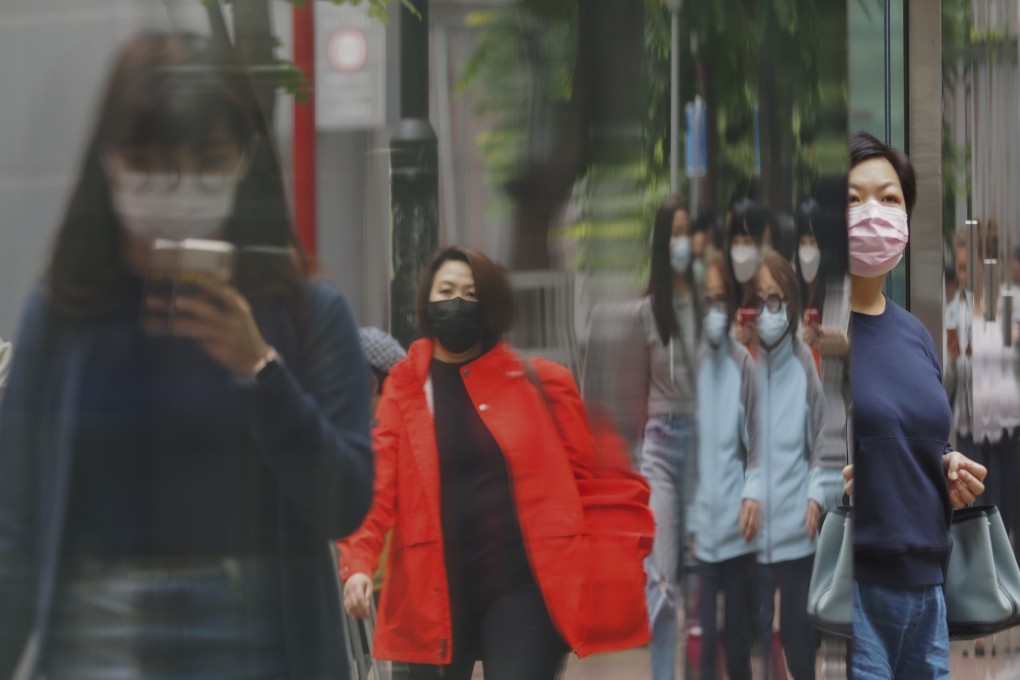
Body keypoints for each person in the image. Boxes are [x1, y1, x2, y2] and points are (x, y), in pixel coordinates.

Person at [0, 32, 374, 680]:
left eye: (204, 160)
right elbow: (16, 524)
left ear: (244, 159)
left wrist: (260, 368)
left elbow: (343, 500)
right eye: (148, 161)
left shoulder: (310, 315)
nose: (175, 186)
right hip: (97, 633)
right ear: (110, 163)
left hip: (254, 633)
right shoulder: (63, 318)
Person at [338, 245, 643, 679]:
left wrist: (609, 562)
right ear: (427, 302)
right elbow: (378, 486)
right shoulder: (405, 390)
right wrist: (358, 565)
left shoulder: (542, 384)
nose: (456, 302)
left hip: (524, 590)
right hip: (432, 592)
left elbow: (588, 483)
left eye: (470, 292)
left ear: (491, 305)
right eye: (445, 290)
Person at [843, 131, 987, 679]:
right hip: (853, 592)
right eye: (852, 199)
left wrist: (949, 464)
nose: (871, 213)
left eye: (889, 198)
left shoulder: (916, 335)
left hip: (929, 593)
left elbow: (923, 439)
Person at [745, 250, 840, 680]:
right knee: (759, 632)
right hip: (756, 526)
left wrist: (816, 499)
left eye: (776, 299)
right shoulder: (743, 364)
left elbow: (822, 438)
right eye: (761, 298)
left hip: (799, 527)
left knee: (801, 638)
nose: (769, 310)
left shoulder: (804, 362)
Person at [631, 195, 700, 680]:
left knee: (701, 577)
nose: (682, 241)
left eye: (687, 232)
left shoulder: (706, 304)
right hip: (659, 444)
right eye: (673, 232)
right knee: (661, 580)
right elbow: (632, 390)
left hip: (703, 447)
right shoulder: (645, 311)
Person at [689, 252, 759, 680]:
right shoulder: (684, 364)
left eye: (720, 300)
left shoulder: (744, 365)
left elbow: (758, 446)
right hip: (696, 527)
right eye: (705, 299)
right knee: (698, 644)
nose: (712, 309)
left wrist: (753, 493)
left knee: (737, 638)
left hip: (737, 525)